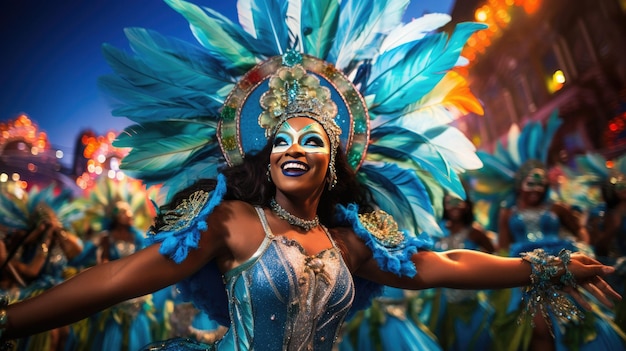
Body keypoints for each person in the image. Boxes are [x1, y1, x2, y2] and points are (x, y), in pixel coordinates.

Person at [0, 1, 621, 350]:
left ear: (337, 161)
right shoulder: (231, 224)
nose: (293, 149)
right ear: (265, 158)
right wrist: (10, 321)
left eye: (312, 140)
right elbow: (117, 277)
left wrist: (548, 265)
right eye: (281, 140)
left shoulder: (351, 241)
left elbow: (442, 266)